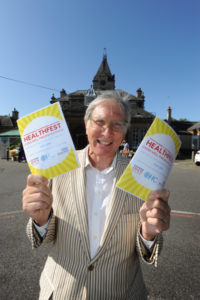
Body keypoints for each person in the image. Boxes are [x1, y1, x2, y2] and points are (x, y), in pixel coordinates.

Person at [22, 92, 171, 300]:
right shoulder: (56, 169)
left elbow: (146, 250)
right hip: (61, 291)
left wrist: (148, 236)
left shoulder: (141, 179)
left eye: (117, 125)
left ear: (125, 132)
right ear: (86, 125)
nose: (107, 132)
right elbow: (42, 239)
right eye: (99, 122)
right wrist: (40, 220)